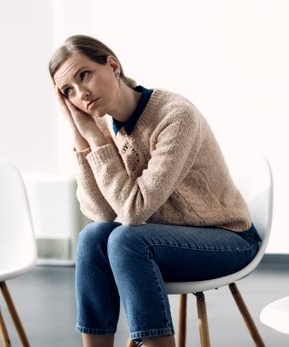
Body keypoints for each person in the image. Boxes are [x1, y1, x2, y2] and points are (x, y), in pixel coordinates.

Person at [48, 35, 261, 347]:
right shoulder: (104, 126)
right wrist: (83, 138)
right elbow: (101, 212)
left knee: (126, 239)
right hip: (169, 241)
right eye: (69, 91)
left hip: (229, 240)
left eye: (84, 75)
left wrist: (95, 139)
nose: (82, 93)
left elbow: (134, 211)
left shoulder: (174, 115)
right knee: (94, 236)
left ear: (112, 65)